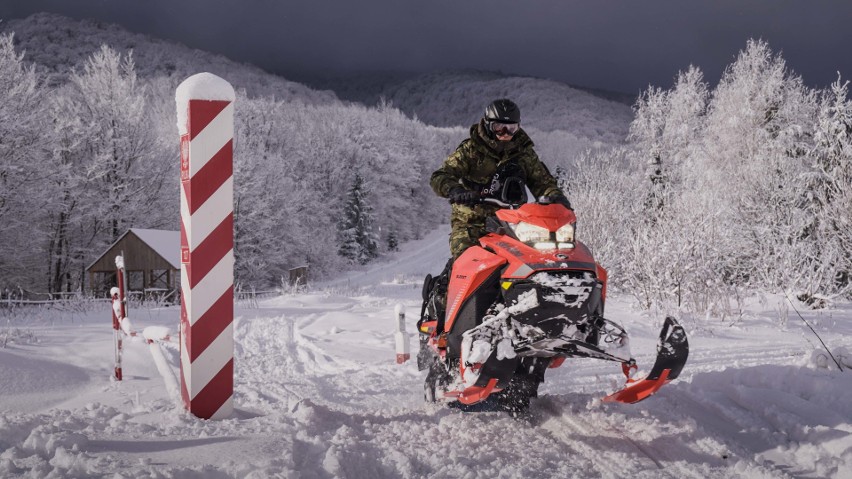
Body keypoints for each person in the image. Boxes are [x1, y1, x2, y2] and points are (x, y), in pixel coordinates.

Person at [430, 99, 571, 259]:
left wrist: (556, 198)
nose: (505, 134)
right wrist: (455, 190)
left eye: (511, 129)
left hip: (513, 223)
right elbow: (441, 175)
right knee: (468, 259)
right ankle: (451, 281)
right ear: (488, 125)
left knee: (535, 259)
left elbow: (543, 183)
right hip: (472, 221)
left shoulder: (524, 154)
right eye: (499, 128)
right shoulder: (470, 150)